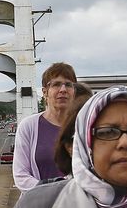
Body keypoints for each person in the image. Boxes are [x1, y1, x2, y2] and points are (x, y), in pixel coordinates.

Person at [12, 62, 78, 191]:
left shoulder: (84, 125)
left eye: (68, 84)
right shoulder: (28, 126)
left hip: (76, 206)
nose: (63, 89)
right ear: (45, 92)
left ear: (74, 92)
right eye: (56, 84)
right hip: (39, 206)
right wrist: (55, 191)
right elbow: (21, 176)